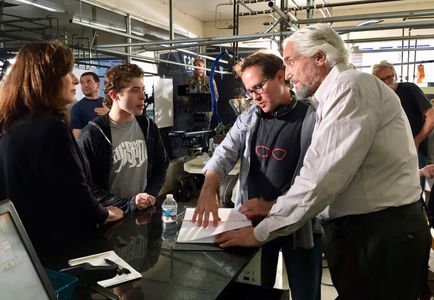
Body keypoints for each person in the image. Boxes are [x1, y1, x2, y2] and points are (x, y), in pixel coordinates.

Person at [211, 24, 431, 300]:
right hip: (360, 233)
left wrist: (260, 233)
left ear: (319, 57)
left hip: (380, 235)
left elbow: (319, 178)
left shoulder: (351, 88)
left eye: (290, 61)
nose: (288, 73)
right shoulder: (329, 99)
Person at [192, 51, 321, 300]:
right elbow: (225, 151)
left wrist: (272, 205)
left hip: (299, 222)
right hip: (253, 224)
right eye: (250, 91)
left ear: (281, 76)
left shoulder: (313, 117)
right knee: (257, 291)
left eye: (259, 87)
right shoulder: (250, 116)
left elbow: (318, 179)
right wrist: (209, 187)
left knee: (306, 294)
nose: (254, 96)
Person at [0, 40, 123, 258]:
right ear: (47, 81)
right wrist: (105, 214)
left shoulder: (10, 125)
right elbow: (74, 192)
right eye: (67, 73)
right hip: (65, 247)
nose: (74, 79)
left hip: (28, 247)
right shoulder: (51, 128)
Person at [77, 64, 169, 213]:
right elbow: (87, 186)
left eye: (142, 90)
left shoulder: (147, 125)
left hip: (143, 214)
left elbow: (161, 165)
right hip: (111, 219)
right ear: (114, 95)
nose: (143, 96)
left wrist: (149, 195)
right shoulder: (92, 134)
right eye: (135, 90)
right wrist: (128, 204)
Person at [372, 60, 434, 188]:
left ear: (395, 75)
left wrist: (416, 141)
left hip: (414, 151)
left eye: (389, 77)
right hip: (392, 153)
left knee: (414, 189)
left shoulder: (408, 89)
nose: (386, 82)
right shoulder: (379, 98)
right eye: (381, 80)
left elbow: (431, 116)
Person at [70, 71, 109, 138]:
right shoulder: (77, 108)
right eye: (82, 83)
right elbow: (77, 136)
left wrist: (109, 113)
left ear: (98, 85)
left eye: (89, 81)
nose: (85, 85)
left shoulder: (108, 103)